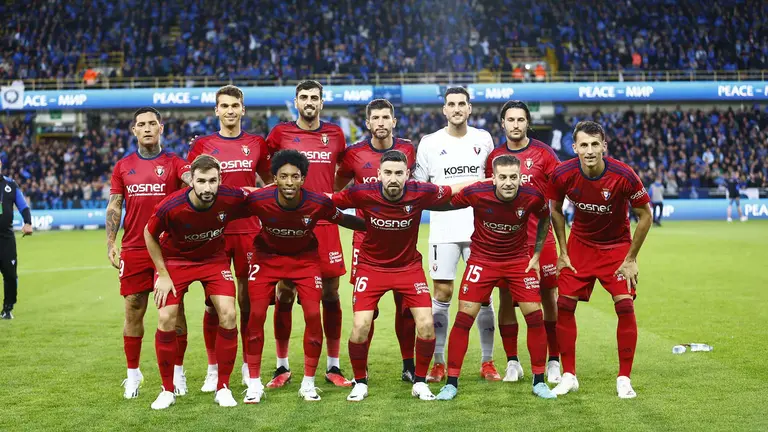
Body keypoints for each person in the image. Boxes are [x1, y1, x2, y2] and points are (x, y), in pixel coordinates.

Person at [332, 150, 474, 402]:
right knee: (360, 326)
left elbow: (453, 190)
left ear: (407, 174)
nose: (393, 178)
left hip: (408, 267)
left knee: (427, 325)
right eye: (388, 173)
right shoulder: (361, 193)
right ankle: (360, 382)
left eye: (399, 173)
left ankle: (419, 382)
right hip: (371, 267)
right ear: (378, 175)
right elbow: (329, 201)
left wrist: (487, 181)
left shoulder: (420, 191)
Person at [242, 150, 365, 403]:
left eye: (295, 177)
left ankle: (308, 383)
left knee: (312, 313)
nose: (289, 182)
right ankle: (254, 384)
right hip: (267, 258)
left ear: (303, 178)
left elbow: (342, 218)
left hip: (305, 261)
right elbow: (227, 208)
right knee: (255, 314)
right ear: (274, 178)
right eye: (283, 176)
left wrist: (376, 224)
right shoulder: (258, 199)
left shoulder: (317, 202)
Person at [435, 154, 557, 400]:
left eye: (514, 177)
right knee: (463, 318)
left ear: (520, 176)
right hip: (482, 260)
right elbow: (446, 201)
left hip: (517, 261)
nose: (509, 183)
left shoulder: (532, 196)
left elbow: (545, 218)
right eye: (503, 177)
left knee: (534, 316)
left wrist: (536, 253)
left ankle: (539, 381)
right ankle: (451, 383)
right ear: (493, 178)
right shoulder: (477, 192)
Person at [547, 121, 652, 399]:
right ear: (575, 148)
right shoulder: (563, 174)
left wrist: (631, 258)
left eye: (595, 144)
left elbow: (646, 215)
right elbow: (554, 209)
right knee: (564, 305)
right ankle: (569, 375)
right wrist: (563, 251)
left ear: (604, 146)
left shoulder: (624, 175)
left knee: (625, 308)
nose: (590, 150)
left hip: (616, 247)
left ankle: (624, 378)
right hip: (580, 245)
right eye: (584, 145)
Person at [144, 155, 249, 410]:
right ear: (191, 180)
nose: (207, 187)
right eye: (201, 181)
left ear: (220, 180)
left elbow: (254, 194)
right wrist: (163, 274)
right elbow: (149, 233)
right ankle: (167, 390)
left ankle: (223, 387)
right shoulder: (172, 206)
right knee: (166, 318)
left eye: (212, 181)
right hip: (176, 261)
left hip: (214, 260)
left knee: (228, 313)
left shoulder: (229, 196)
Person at [187, 85, 272, 392]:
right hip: (215, 233)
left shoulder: (256, 143)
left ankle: (250, 369)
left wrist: (257, 193)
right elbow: (189, 181)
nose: (230, 110)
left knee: (248, 303)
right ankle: (214, 369)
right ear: (217, 110)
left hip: (249, 231)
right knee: (213, 304)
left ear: (242, 109)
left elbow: (271, 183)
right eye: (224, 105)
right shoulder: (203, 145)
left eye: (235, 105)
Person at [265, 80, 350, 387]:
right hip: (289, 224)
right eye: (304, 97)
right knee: (285, 292)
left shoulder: (336, 134)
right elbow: (267, 169)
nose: (309, 102)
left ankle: (333, 366)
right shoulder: (280, 134)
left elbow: (343, 173)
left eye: (315, 97)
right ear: (296, 102)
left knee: (330, 293)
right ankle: (282, 366)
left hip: (325, 225)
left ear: (322, 103)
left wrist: (330, 196)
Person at [412, 86, 499, 383]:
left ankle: (488, 361)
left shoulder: (483, 139)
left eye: (462, 103)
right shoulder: (429, 143)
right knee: (443, 293)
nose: (457, 108)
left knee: (483, 296)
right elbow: (420, 188)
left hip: (479, 229)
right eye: (452, 104)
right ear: (444, 110)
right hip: (444, 228)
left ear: (470, 108)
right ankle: (438, 361)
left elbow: (493, 181)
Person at [107, 107, 191, 398]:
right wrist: (110, 242)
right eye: (141, 124)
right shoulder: (122, 166)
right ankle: (133, 374)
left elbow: (192, 180)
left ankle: (178, 373)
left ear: (161, 128)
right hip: (133, 246)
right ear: (134, 131)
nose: (146, 128)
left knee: (174, 312)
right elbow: (115, 205)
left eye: (152, 124)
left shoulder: (175, 163)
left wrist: (201, 174)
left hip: (168, 249)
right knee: (133, 308)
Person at [334, 98, 418, 382]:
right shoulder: (353, 154)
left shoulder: (408, 149)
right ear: (368, 123)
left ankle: (409, 365)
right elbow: (337, 190)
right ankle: (363, 369)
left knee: (406, 307)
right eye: (375, 118)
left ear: (394, 121)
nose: (381, 123)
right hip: (366, 242)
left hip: (402, 239)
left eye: (386, 118)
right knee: (367, 310)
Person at [484, 101, 562, 384]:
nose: (515, 124)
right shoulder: (494, 157)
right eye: (510, 119)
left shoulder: (544, 154)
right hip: (507, 243)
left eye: (520, 120)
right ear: (502, 123)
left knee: (548, 298)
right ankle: (513, 362)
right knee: (506, 298)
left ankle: (553, 360)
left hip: (542, 240)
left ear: (528, 123)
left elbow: (559, 190)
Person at [0, 160, 33, 320]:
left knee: (11, 275)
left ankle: (7, 308)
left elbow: (23, 206)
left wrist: (27, 222)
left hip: (6, 237)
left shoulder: (10, 185)